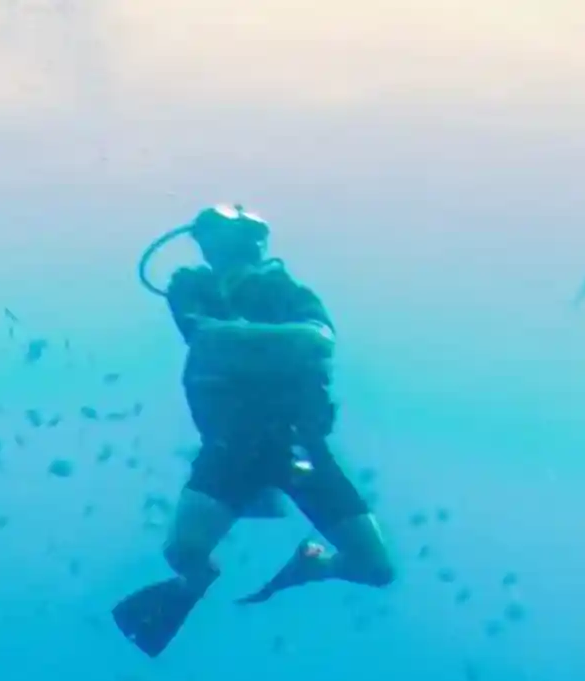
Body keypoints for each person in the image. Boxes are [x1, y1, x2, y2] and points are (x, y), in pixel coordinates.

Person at [113, 204, 395, 657]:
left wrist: (239, 337)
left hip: (296, 447)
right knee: (182, 551)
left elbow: (317, 340)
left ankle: (313, 566)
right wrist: (279, 343)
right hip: (232, 446)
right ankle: (198, 581)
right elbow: (209, 337)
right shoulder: (193, 288)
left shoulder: (285, 290)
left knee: (375, 567)